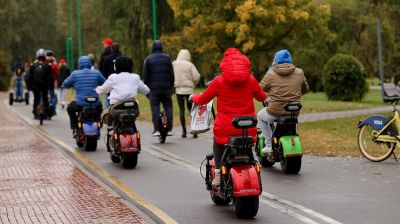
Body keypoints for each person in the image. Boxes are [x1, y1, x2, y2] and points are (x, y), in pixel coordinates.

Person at [191, 48, 267, 187]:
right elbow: (262, 96)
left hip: (226, 128)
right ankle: (252, 168)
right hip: (247, 128)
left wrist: (193, 97)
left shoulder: (218, 82)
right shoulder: (251, 80)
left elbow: (202, 99)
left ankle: (219, 173)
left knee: (218, 141)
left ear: (224, 64)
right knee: (247, 145)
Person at [257, 49, 309, 155]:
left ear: (276, 61)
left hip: (275, 111)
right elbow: (305, 89)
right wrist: (295, 95)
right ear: (290, 60)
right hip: (293, 112)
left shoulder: (271, 74)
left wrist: (268, 96)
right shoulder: (299, 72)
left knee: (260, 116)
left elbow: (259, 90)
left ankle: (268, 145)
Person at [95, 56, 150, 126]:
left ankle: (111, 130)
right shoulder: (135, 77)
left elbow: (102, 90)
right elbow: (146, 90)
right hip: (133, 108)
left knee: (105, 114)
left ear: (116, 66)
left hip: (116, 108)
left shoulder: (113, 77)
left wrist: (96, 89)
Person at [63, 56, 105, 135]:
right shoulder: (97, 73)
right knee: (99, 109)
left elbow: (65, 83)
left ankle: (75, 126)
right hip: (95, 103)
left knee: (70, 108)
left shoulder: (75, 74)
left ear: (79, 64)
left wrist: (67, 85)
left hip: (80, 103)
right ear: (90, 63)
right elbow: (105, 83)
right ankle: (99, 124)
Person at [143, 40, 174, 136]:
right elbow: (171, 74)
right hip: (166, 87)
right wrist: (171, 86)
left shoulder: (148, 59)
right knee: (168, 107)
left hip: (154, 88)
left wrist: (147, 88)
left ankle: (156, 129)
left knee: (155, 108)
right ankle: (169, 129)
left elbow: (146, 75)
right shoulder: (167, 58)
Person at [172, 49, 201, 138]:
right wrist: (193, 83)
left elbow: (171, 76)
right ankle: (194, 131)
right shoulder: (190, 65)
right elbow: (196, 76)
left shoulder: (174, 64)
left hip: (179, 90)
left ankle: (184, 131)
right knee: (191, 110)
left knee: (181, 110)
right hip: (189, 91)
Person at [26, 49, 52, 118]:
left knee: (36, 99)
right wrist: (49, 86)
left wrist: (29, 86)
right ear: (44, 56)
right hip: (44, 85)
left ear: (37, 56)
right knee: (45, 98)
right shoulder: (48, 65)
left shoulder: (33, 65)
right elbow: (50, 77)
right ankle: (47, 113)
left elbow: (29, 77)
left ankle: (35, 114)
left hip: (35, 86)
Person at [102, 42, 122, 109]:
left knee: (108, 96)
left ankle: (107, 111)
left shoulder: (107, 58)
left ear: (111, 49)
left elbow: (103, 70)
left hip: (109, 79)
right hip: (121, 80)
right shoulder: (122, 58)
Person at [99, 38, 113, 108]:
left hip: (107, 77)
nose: (104, 45)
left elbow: (101, 66)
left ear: (108, 44)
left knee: (107, 95)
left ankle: (107, 111)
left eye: (105, 43)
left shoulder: (104, 54)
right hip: (116, 77)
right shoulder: (115, 53)